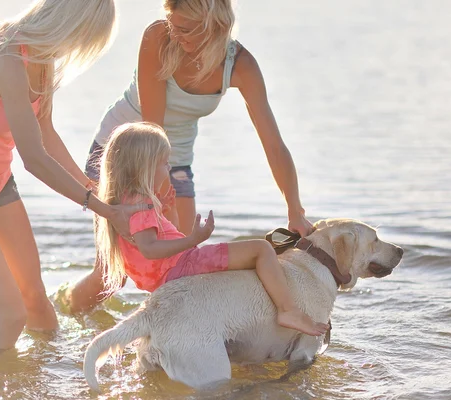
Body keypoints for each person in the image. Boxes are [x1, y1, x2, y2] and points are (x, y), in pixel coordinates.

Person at [0, 0, 147, 351]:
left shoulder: (43, 56)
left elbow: (46, 134)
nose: (80, 47)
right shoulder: (5, 58)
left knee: (35, 300)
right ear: (70, 23)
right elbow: (34, 159)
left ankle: (50, 373)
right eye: (85, 37)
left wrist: (93, 187)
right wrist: (102, 209)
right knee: (9, 317)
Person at [67, 0, 315, 312]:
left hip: (173, 160)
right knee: (113, 276)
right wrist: (156, 199)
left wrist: (295, 210)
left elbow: (274, 146)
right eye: (172, 23)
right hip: (125, 157)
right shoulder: (158, 38)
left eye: (184, 28)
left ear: (214, 26)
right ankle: (68, 319)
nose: (174, 33)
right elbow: (151, 129)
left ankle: (163, 345)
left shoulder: (240, 65)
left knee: (181, 271)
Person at [96, 122, 328, 336]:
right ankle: (288, 310)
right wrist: (193, 239)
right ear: (144, 167)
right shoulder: (141, 205)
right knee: (261, 249)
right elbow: (150, 249)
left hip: (168, 273)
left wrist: (167, 212)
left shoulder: (126, 203)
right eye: (164, 163)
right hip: (182, 265)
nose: (168, 168)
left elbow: (162, 241)